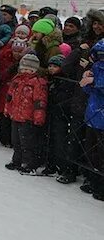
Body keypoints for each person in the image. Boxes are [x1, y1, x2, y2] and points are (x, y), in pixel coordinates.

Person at [3, 54, 48, 174]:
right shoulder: (17, 79)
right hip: (16, 115)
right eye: (24, 68)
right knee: (16, 140)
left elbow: (40, 101)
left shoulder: (37, 82)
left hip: (28, 117)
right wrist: (7, 109)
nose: (26, 71)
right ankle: (17, 160)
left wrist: (38, 117)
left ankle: (29, 163)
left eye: (29, 69)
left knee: (27, 143)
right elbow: (9, 96)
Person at [46, 54, 82, 184]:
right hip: (54, 113)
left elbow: (69, 98)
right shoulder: (52, 80)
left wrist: (60, 106)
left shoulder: (67, 80)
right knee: (53, 139)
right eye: (50, 66)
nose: (51, 69)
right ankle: (52, 164)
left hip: (63, 115)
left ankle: (63, 166)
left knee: (61, 141)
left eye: (55, 66)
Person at [79, 40, 104, 201]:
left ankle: (100, 186)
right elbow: (88, 89)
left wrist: (94, 82)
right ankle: (93, 180)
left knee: (101, 154)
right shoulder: (96, 67)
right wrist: (87, 79)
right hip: (93, 113)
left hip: (100, 115)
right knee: (92, 151)